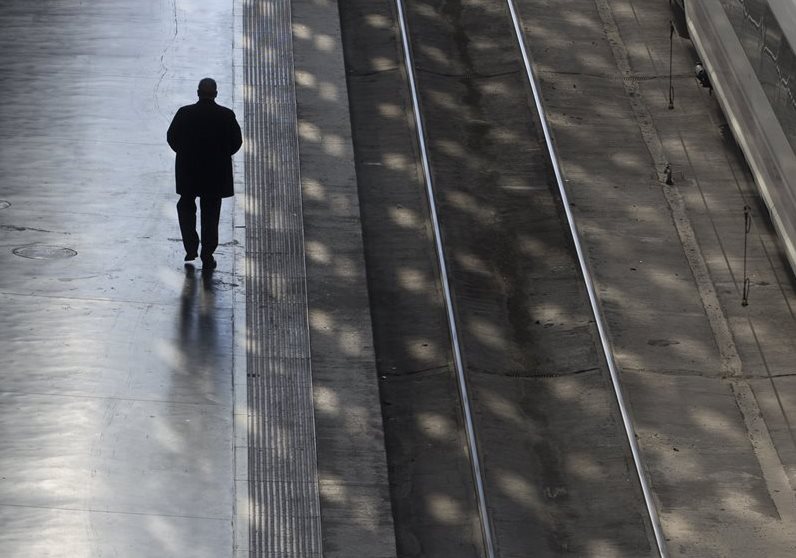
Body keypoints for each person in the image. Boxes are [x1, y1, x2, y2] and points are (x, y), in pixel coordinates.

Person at [167, 77, 242, 270]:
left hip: (189, 171)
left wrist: (184, 153)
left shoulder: (185, 113)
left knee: (186, 205)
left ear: (198, 93)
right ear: (215, 94)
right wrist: (222, 155)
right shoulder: (226, 115)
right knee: (211, 213)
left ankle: (191, 247)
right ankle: (207, 254)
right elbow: (236, 142)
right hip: (215, 174)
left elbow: (172, 137)